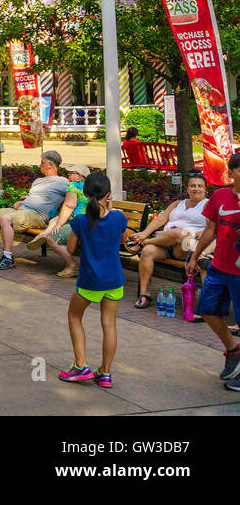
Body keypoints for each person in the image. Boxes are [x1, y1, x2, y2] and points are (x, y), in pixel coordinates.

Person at [58, 171, 125, 388]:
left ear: (85, 195)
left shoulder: (81, 221)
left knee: (74, 316)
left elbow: (69, 248)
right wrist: (112, 210)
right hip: (114, 279)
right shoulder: (118, 218)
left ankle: (80, 366)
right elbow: (123, 239)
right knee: (109, 325)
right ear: (109, 194)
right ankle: (105, 373)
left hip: (89, 280)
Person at [185, 153, 240, 387]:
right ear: (231, 173)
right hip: (218, 267)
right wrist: (195, 256)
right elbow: (210, 230)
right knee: (207, 309)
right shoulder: (219, 195)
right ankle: (233, 350)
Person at [0, 150, 69, 271]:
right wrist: (23, 201)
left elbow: (75, 195)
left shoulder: (62, 182)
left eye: (42, 162)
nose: (40, 165)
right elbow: (35, 197)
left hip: (37, 216)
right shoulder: (38, 181)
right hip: (22, 210)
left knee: (6, 219)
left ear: (50, 164)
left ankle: (8, 258)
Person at [128, 170, 211, 309]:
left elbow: (211, 229)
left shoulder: (208, 205)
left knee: (180, 233)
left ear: (205, 189)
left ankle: (142, 242)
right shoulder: (178, 203)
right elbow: (161, 218)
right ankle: (144, 294)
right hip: (167, 244)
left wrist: (193, 234)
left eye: (200, 186)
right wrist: (145, 232)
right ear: (187, 188)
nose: (196, 189)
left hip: (189, 246)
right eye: (193, 186)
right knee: (148, 251)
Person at [26, 163, 88, 279]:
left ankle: (72, 266)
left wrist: (59, 225)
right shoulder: (91, 186)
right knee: (55, 219)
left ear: (79, 176)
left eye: (71, 173)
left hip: (79, 223)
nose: (68, 176)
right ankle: (43, 234)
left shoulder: (74, 186)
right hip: (89, 222)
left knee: (52, 238)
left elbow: (69, 206)